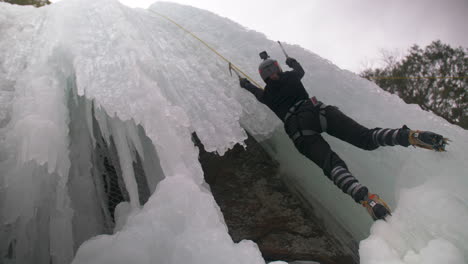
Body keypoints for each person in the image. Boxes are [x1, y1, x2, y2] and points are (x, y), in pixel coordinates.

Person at [238, 52, 447, 220]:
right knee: (366, 138)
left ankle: (365, 198)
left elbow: (253, 91)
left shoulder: (266, 95)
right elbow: (299, 69)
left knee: (332, 165)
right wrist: (291, 61)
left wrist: (244, 83)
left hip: (299, 131)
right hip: (318, 112)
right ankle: (407, 136)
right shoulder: (292, 76)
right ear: (278, 69)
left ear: (264, 77)